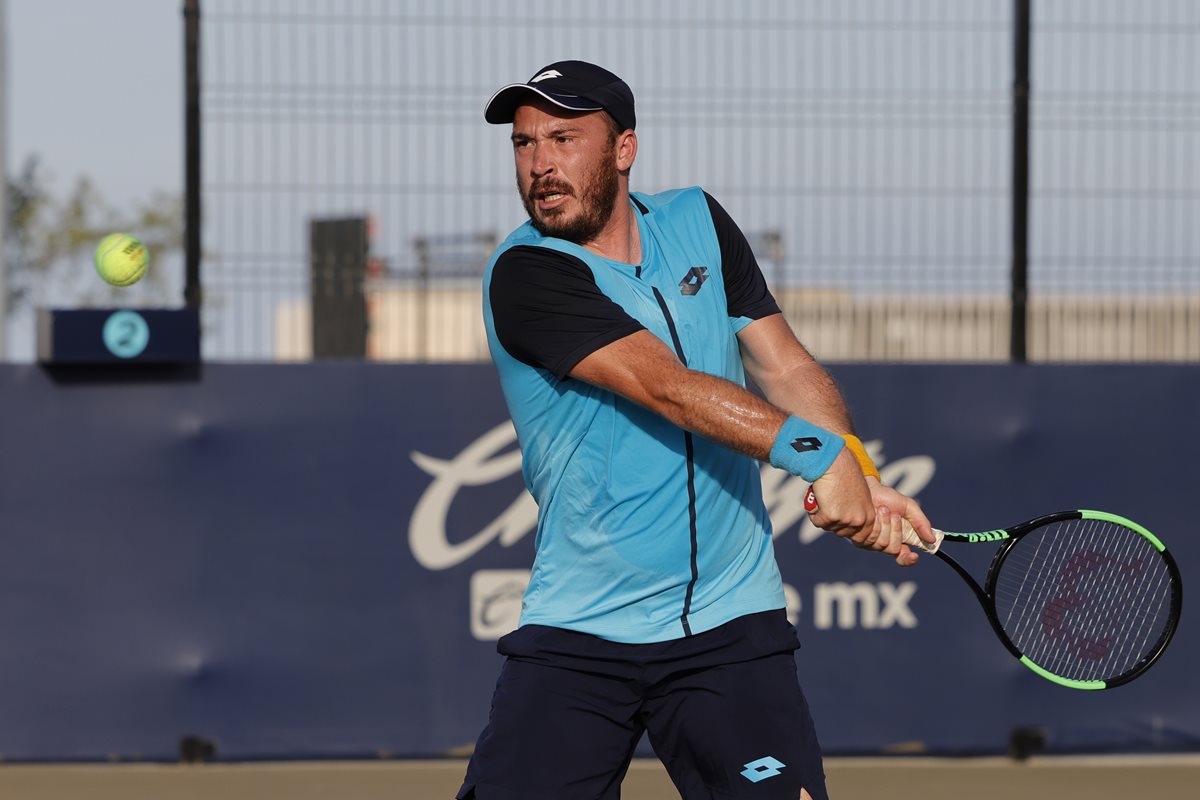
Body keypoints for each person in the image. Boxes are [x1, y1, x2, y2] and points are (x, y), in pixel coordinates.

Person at [459, 60, 936, 800]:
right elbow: (668, 388)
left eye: (563, 138)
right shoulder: (525, 272)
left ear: (624, 149)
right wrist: (821, 457)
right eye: (524, 143)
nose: (540, 164)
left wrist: (860, 475)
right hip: (582, 632)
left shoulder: (698, 222)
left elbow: (783, 364)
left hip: (732, 624)